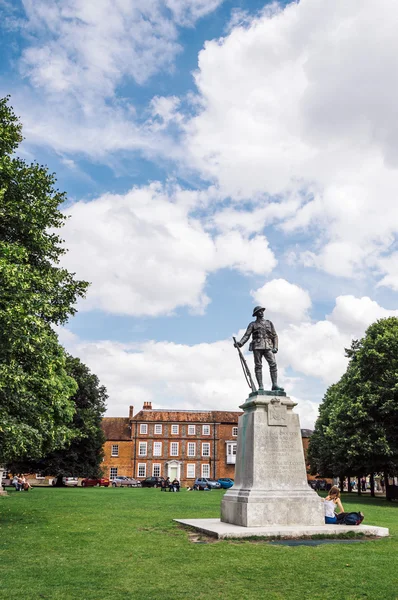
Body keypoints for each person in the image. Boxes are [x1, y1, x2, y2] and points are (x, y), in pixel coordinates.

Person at [234, 306, 284, 391]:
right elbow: (247, 335)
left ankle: (274, 384)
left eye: (262, 311)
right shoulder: (252, 324)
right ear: (256, 314)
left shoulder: (269, 323)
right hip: (257, 346)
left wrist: (275, 347)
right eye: (259, 311)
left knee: (273, 364)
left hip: (268, 346)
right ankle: (261, 386)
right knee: (258, 366)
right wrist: (240, 343)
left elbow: (275, 336)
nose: (261, 312)